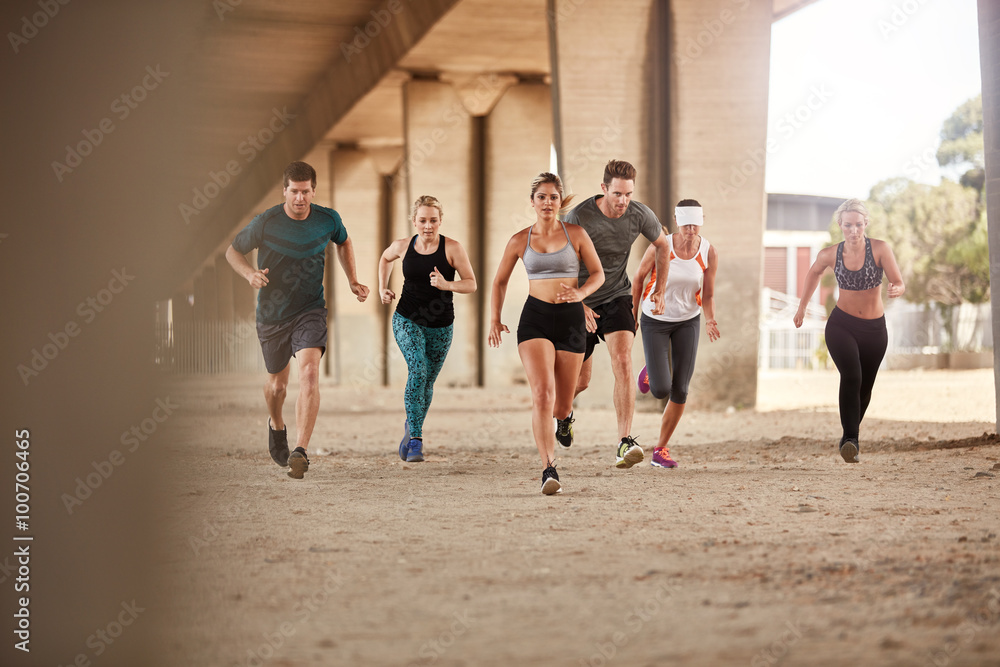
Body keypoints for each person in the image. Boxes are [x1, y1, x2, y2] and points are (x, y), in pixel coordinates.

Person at [225, 161, 370, 479]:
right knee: (277, 386)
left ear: (313, 191)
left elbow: (343, 242)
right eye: (294, 191)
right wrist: (250, 273)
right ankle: (277, 424)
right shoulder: (267, 221)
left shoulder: (328, 219)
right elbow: (233, 251)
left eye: (306, 192)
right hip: (272, 314)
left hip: (311, 309)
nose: (300, 198)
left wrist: (352, 280)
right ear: (285, 191)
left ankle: (300, 451)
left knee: (309, 375)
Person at [489, 172, 604, 495]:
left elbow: (598, 274)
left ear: (560, 201)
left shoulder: (577, 234)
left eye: (553, 197)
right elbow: (499, 281)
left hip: (569, 321)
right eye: (541, 197)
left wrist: (581, 295)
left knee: (560, 403)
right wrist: (494, 319)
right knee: (542, 393)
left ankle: (565, 418)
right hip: (535, 320)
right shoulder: (519, 240)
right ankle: (548, 468)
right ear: (532, 201)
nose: (547, 202)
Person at [563, 159, 671, 469]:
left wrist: (659, 289)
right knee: (581, 381)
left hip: (616, 296)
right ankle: (563, 414)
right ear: (603, 189)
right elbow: (561, 263)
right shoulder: (579, 216)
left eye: (628, 194)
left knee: (623, 360)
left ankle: (624, 442)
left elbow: (663, 246)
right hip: (581, 297)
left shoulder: (639, 215)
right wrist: (578, 303)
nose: (623, 201)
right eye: (617, 194)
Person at [794, 198, 905, 463]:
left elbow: (898, 281)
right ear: (840, 225)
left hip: (874, 329)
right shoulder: (830, 253)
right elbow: (813, 273)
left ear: (865, 223)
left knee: (865, 387)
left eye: (858, 225)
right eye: (847, 225)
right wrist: (802, 307)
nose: (853, 230)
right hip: (841, 324)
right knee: (852, 375)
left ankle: (848, 437)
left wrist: (897, 289)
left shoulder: (880, 249)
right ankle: (851, 440)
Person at [378, 195, 477, 463]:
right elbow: (385, 259)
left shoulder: (453, 248)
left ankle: (411, 425)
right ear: (414, 221)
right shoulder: (403, 245)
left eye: (433, 220)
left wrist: (447, 285)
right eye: (422, 220)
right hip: (406, 319)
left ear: (440, 221)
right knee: (418, 369)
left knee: (427, 383)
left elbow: (471, 283)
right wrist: (382, 287)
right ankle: (416, 441)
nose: (428, 226)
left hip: (441, 325)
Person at [632, 200, 720, 468]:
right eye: (685, 224)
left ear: (701, 221)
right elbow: (638, 279)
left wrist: (710, 319)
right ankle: (651, 368)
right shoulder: (662, 245)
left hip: (688, 321)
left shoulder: (708, 251)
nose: (690, 229)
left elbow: (709, 292)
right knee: (660, 389)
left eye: (695, 224)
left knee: (680, 388)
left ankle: (661, 450)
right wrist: (632, 316)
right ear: (678, 221)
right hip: (655, 319)